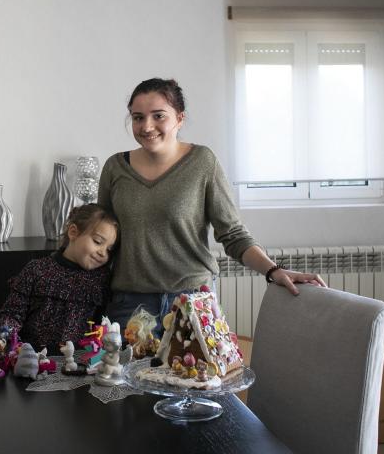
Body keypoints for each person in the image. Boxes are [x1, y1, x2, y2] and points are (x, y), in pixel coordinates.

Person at [98, 77, 325, 329]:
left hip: (193, 301)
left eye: (159, 116)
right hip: (130, 305)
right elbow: (101, 237)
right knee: (125, 371)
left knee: (198, 371)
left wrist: (273, 271)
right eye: (138, 117)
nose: (147, 126)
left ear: (179, 118)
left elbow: (233, 234)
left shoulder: (203, 162)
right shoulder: (114, 168)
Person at [0, 204, 118, 354]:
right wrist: (0, 334)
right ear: (73, 232)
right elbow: (13, 314)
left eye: (109, 249)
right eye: (97, 241)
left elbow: (103, 326)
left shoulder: (102, 279)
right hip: (32, 358)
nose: (103, 253)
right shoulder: (37, 269)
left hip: (80, 362)